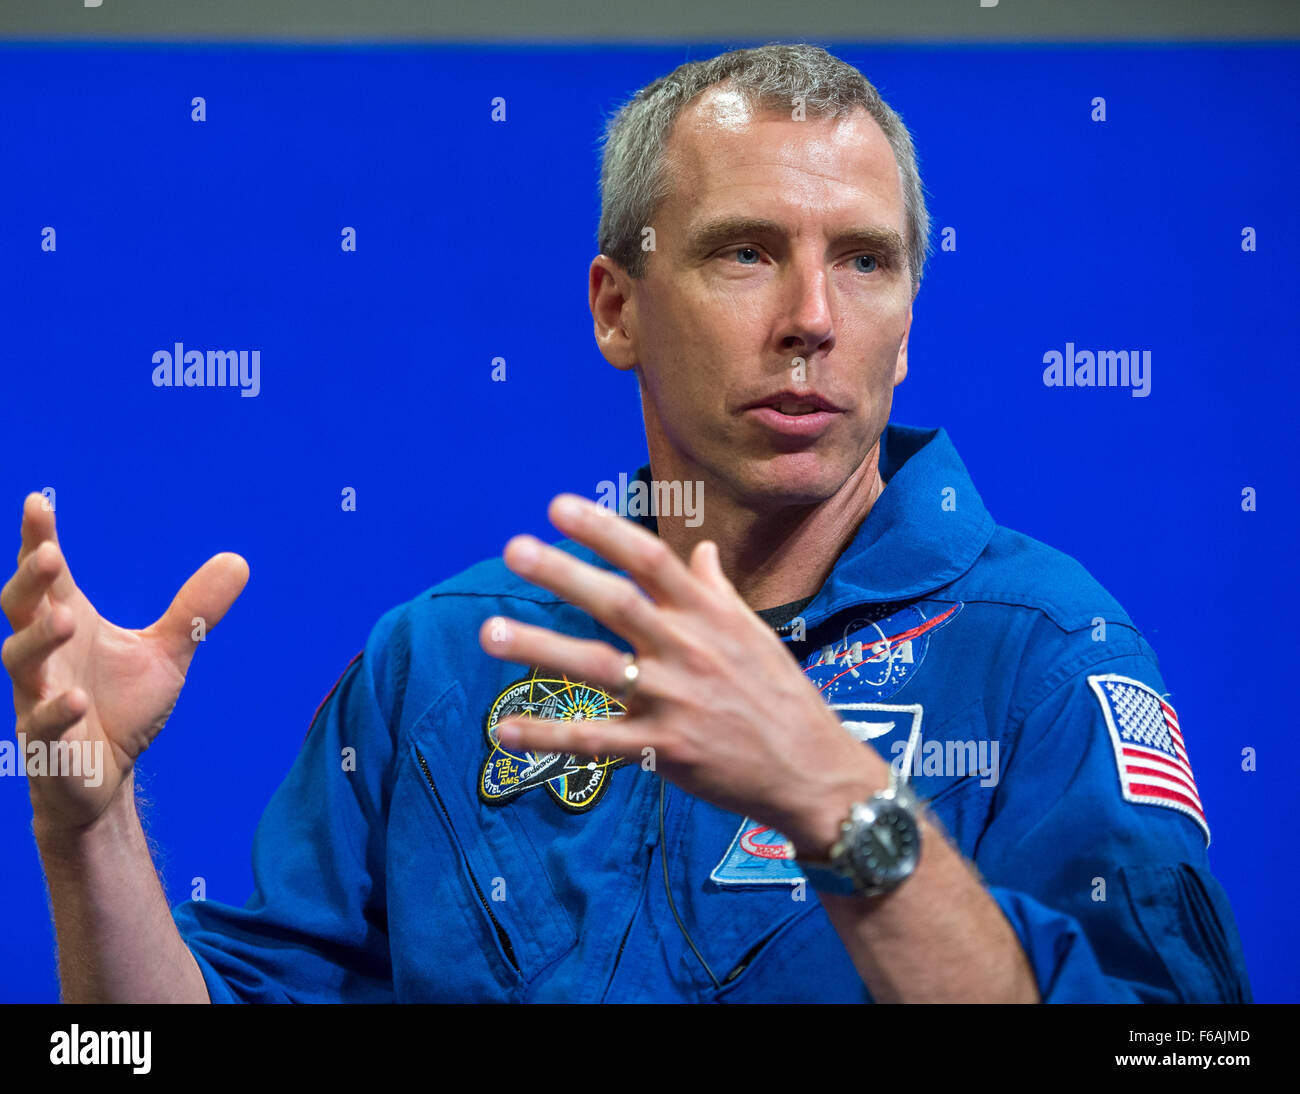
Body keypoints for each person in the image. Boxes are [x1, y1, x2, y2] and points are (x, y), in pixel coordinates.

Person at [3, 42, 1251, 1003]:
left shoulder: (1043, 651)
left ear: (909, 321)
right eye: (745, 252)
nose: (812, 314)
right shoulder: (443, 661)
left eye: (866, 261)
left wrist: (838, 803)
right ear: (616, 309)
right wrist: (89, 822)